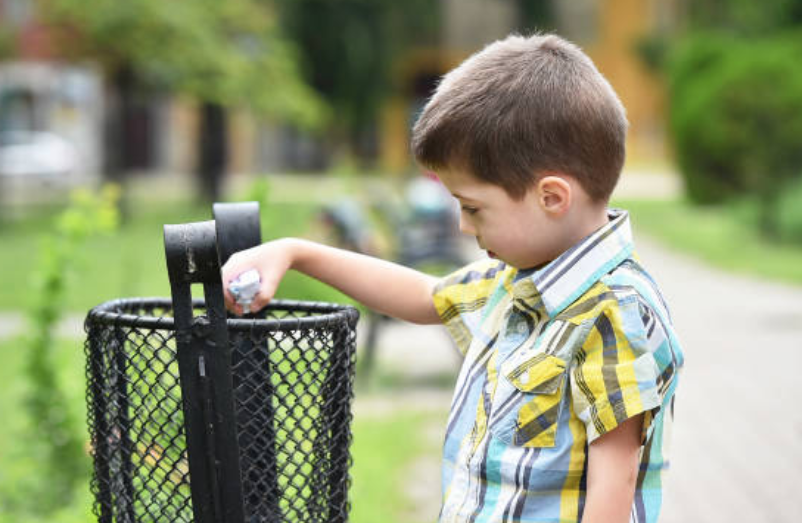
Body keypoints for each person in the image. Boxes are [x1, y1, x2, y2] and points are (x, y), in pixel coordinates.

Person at [221, 33, 684, 523]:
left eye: (473, 207)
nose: (464, 226)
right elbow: (423, 295)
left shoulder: (612, 312)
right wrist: (296, 253)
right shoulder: (516, 279)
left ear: (551, 197)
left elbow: (616, 484)